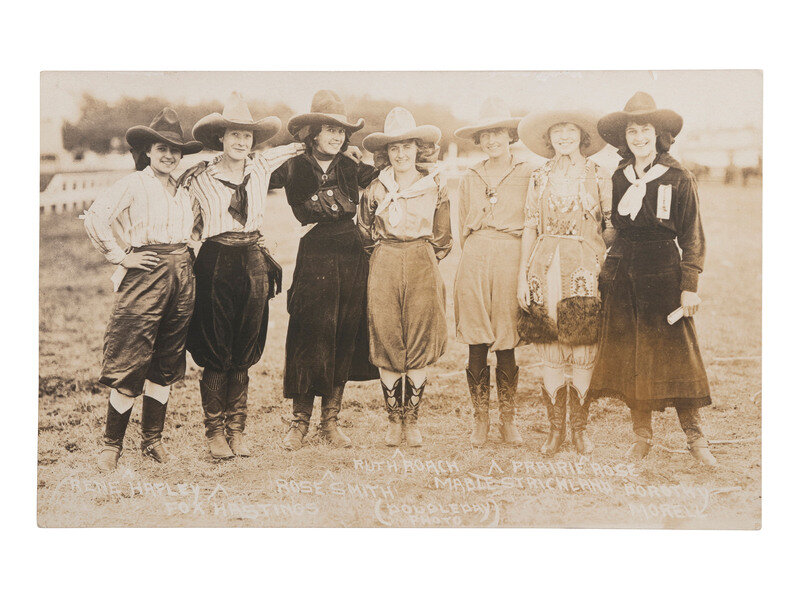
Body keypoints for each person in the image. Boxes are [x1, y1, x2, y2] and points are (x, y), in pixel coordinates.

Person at [588, 92, 717, 466]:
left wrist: (689, 286)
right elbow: (614, 230)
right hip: (623, 273)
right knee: (633, 355)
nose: (639, 137)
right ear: (624, 137)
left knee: (678, 355)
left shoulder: (678, 176)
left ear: (659, 134)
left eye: (645, 129)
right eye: (632, 131)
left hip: (663, 272)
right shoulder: (618, 177)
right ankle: (641, 436)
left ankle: (695, 437)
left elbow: (692, 236)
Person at [82, 108, 203, 472]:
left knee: (167, 359)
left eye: (175, 150)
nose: (169, 155)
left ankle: (152, 440)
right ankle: (112, 445)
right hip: (145, 274)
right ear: (148, 151)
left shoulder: (185, 188)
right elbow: (96, 216)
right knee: (130, 355)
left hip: (182, 274)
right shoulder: (135, 184)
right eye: (161, 148)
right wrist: (121, 257)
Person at [186, 92, 305, 459]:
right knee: (215, 346)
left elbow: (299, 148)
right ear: (220, 138)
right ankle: (214, 431)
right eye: (234, 134)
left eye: (247, 135)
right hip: (215, 260)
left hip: (252, 259)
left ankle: (237, 430)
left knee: (244, 346)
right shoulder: (200, 176)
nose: (241, 141)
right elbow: (185, 218)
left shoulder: (261, 165)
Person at [270, 90, 379, 451]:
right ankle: (299, 422)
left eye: (341, 131)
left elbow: (390, 174)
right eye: (329, 129)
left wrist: (366, 157)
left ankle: (330, 421)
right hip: (315, 253)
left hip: (351, 253)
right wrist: (286, 151)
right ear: (313, 132)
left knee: (343, 333)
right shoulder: (294, 165)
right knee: (309, 334)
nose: (336, 136)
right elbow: (253, 174)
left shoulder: (350, 165)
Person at [516, 107, 612, 456]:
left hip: (585, 269)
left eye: (571, 130)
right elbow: (530, 226)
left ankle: (579, 431)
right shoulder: (539, 175)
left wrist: (596, 250)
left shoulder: (598, 175)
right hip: (544, 267)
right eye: (558, 131)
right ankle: (555, 431)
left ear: (582, 136)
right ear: (549, 137)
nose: (565, 137)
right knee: (551, 351)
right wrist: (523, 276)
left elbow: (613, 228)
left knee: (583, 350)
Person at [358, 107, 452, 447]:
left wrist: (421, 256)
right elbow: (365, 232)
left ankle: (412, 420)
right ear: (386, 153)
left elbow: (443, 236)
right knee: (387, 337)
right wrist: (387, 256)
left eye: (407, 147)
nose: (401, 154)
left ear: (418, 149)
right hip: (384, 259)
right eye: (394, 148)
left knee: (419, 338)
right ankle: (393, 420)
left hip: (422, 260)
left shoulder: (434, 185)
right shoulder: (375, 188)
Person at [452, 98, 533, 447]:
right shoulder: (471, 176)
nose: (491, 140)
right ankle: (481, 419)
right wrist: (476, 253)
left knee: (506, 338)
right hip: (475, 256)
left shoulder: (528, 173)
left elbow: (533, 222)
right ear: (478, 139)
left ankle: (508, 420)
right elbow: (462, 226)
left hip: (511, 256)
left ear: (510, 135)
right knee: (476, 337)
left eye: (497, 133)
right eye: (485, 135)